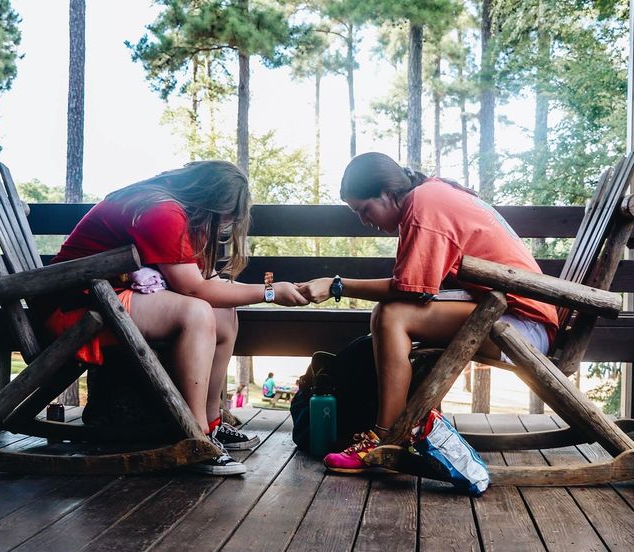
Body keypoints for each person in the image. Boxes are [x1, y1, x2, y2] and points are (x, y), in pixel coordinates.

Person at [37, 161, 308, 476]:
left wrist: (271, 291)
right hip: (74, 309)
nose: (227, 225)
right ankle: (194, 437)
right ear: (212, 202)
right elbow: (193, 289)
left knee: (223, 313)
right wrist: (270, 292)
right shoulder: (161, 211)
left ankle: (211, 423)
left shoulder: (177, 209)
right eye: (228, 216)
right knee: (196, 313)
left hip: (106, 297)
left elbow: (204, 282)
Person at [298, 152, 558, 474]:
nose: (364, 221)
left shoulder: (424, 203)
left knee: (391, 316)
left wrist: (337, 285)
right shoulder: (429, 195)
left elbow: (408, 290)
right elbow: (418, 288)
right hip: (506, 317)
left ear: (387, 193)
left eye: (364, 210)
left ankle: (386, 437)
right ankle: (398, 430)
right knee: (389, 314)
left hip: (521, 328)